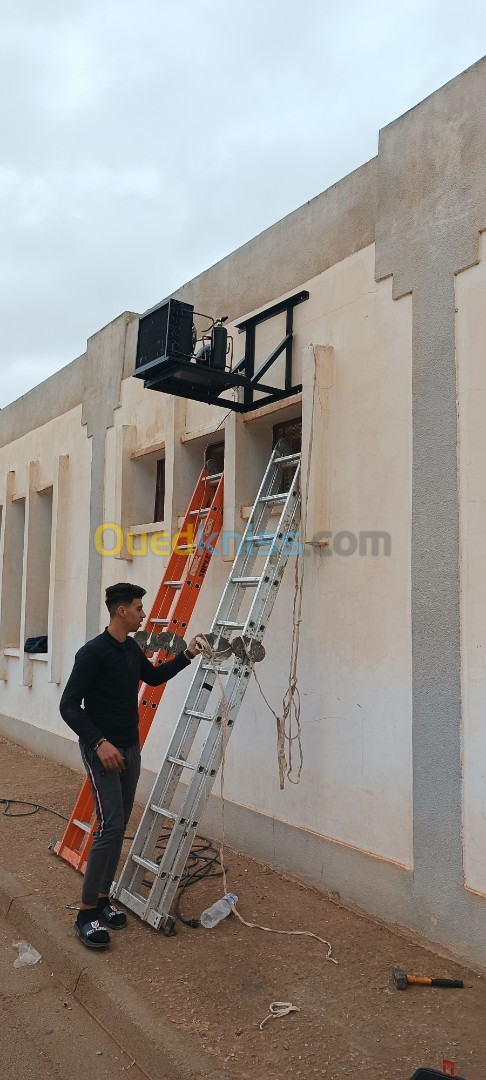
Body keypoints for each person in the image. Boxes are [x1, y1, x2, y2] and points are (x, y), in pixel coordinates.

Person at [60, 582, 200, 949]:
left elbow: (152, 678)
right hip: (102, 750)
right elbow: (69, 705)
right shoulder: (92, 653)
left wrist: (188, 655)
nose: (143, 613)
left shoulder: (130, 649)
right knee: (109, 826)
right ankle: (86, 912)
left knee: (119, 821)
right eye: (139, 608)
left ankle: (103, 899)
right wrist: (99, 742)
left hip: (129, 747)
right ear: (122, 611)